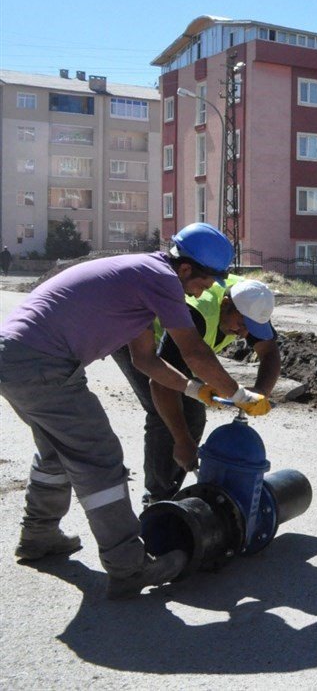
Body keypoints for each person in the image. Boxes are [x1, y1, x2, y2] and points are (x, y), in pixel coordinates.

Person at [0, 223, 267, 600]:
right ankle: (128, 566)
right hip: (44, 363)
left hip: (15, 357)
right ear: (186, 269)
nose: (205, 291)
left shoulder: (140, 280)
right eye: (206, 282)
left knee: (56, 451)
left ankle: (39, 535)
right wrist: (239, 394)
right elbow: (194, 352)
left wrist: (194, 389)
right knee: (99, 458)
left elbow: (145, 360)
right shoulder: (161, 279)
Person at [112, 276, 280, 503]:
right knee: (167, 418)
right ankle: (157, 500)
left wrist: (260, 393)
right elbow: (161, 384)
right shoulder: (198, 312)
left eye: (249, 328)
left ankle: (170, 491)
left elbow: (269, 352)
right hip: (136, 337)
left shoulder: (252, 301)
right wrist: (182, 441)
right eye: (240, 325)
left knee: (192, 417)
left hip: (182, 345)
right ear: (225, 304)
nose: (242, 333)